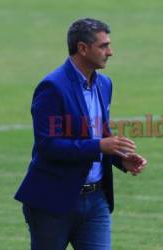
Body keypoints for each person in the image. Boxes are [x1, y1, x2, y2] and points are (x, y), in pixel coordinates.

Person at [14, 18, 147, 250]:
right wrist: (99, 147)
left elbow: (98, 134)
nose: (110, 52)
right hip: (53, 201)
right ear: (83, 49)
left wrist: (119, 159)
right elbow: (48, 146)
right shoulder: (53, 87)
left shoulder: (104, 84)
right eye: (103, 46)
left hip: (96, 201)